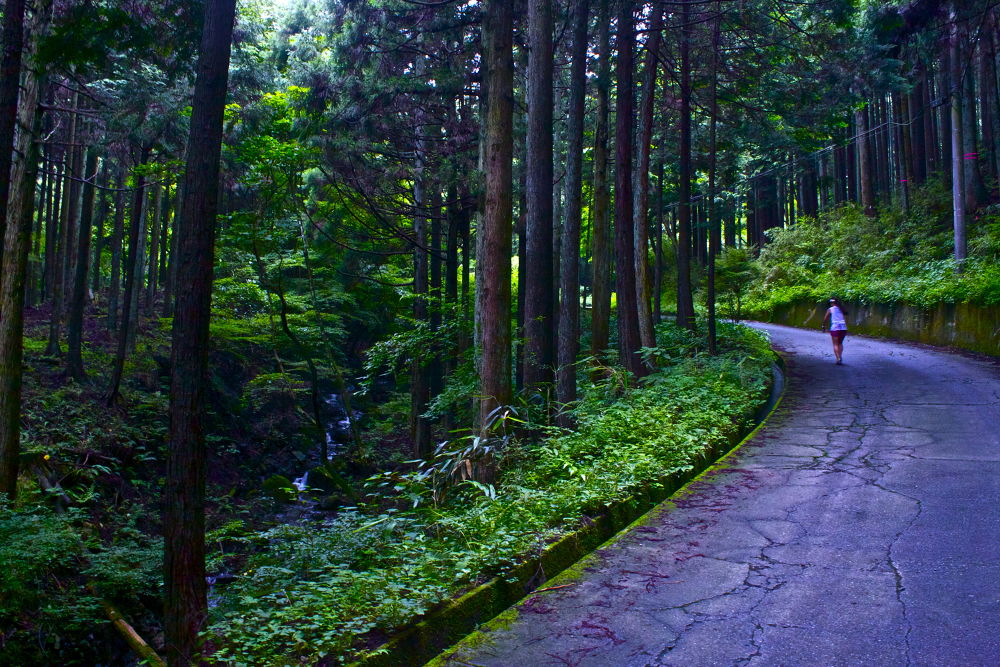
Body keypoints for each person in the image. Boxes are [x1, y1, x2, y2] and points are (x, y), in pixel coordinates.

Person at [821, 298, 848, 364]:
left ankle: (838, 358)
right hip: (843, 328)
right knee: (840, 343)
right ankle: (840, 357)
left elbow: (825, 319)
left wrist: (823, 326)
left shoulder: (830, 309)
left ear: (832, 303)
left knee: (835, 344)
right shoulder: (842, 309)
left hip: (835, 327)